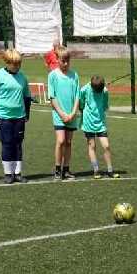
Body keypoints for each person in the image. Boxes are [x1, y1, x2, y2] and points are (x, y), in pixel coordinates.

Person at [0, 48, 32, 184]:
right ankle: (8, 173)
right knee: (7, 144)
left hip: (19, 117)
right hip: (3, 117)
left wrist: (27, 113)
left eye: (19, 63)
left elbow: (27, 97)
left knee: (18, 144)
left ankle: (17, 173)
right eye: (15, 64)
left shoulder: (22, 77)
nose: (17, 66)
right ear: (7, 62)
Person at [48, 46, 80, 181]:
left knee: (68, 142)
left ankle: (66, 170)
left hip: (71, 115)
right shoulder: (53, 75)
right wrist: (61, 114)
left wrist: (73, 113)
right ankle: (57, 170)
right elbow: (52, 97)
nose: (66, 64)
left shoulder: (74, 75)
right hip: (59, 115)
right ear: (57, 60)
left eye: (68, 61)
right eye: (63, 61)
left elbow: (77, 96)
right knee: (60, 141)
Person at [79, 75, 115, 177]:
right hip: (88, 122)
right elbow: (81, 104)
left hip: (100, 123)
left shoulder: (105, 91)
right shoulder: (84, 90)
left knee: (106, 146)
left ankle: (110, 170)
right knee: (92, 146)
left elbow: (105, 105)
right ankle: (96, 170)